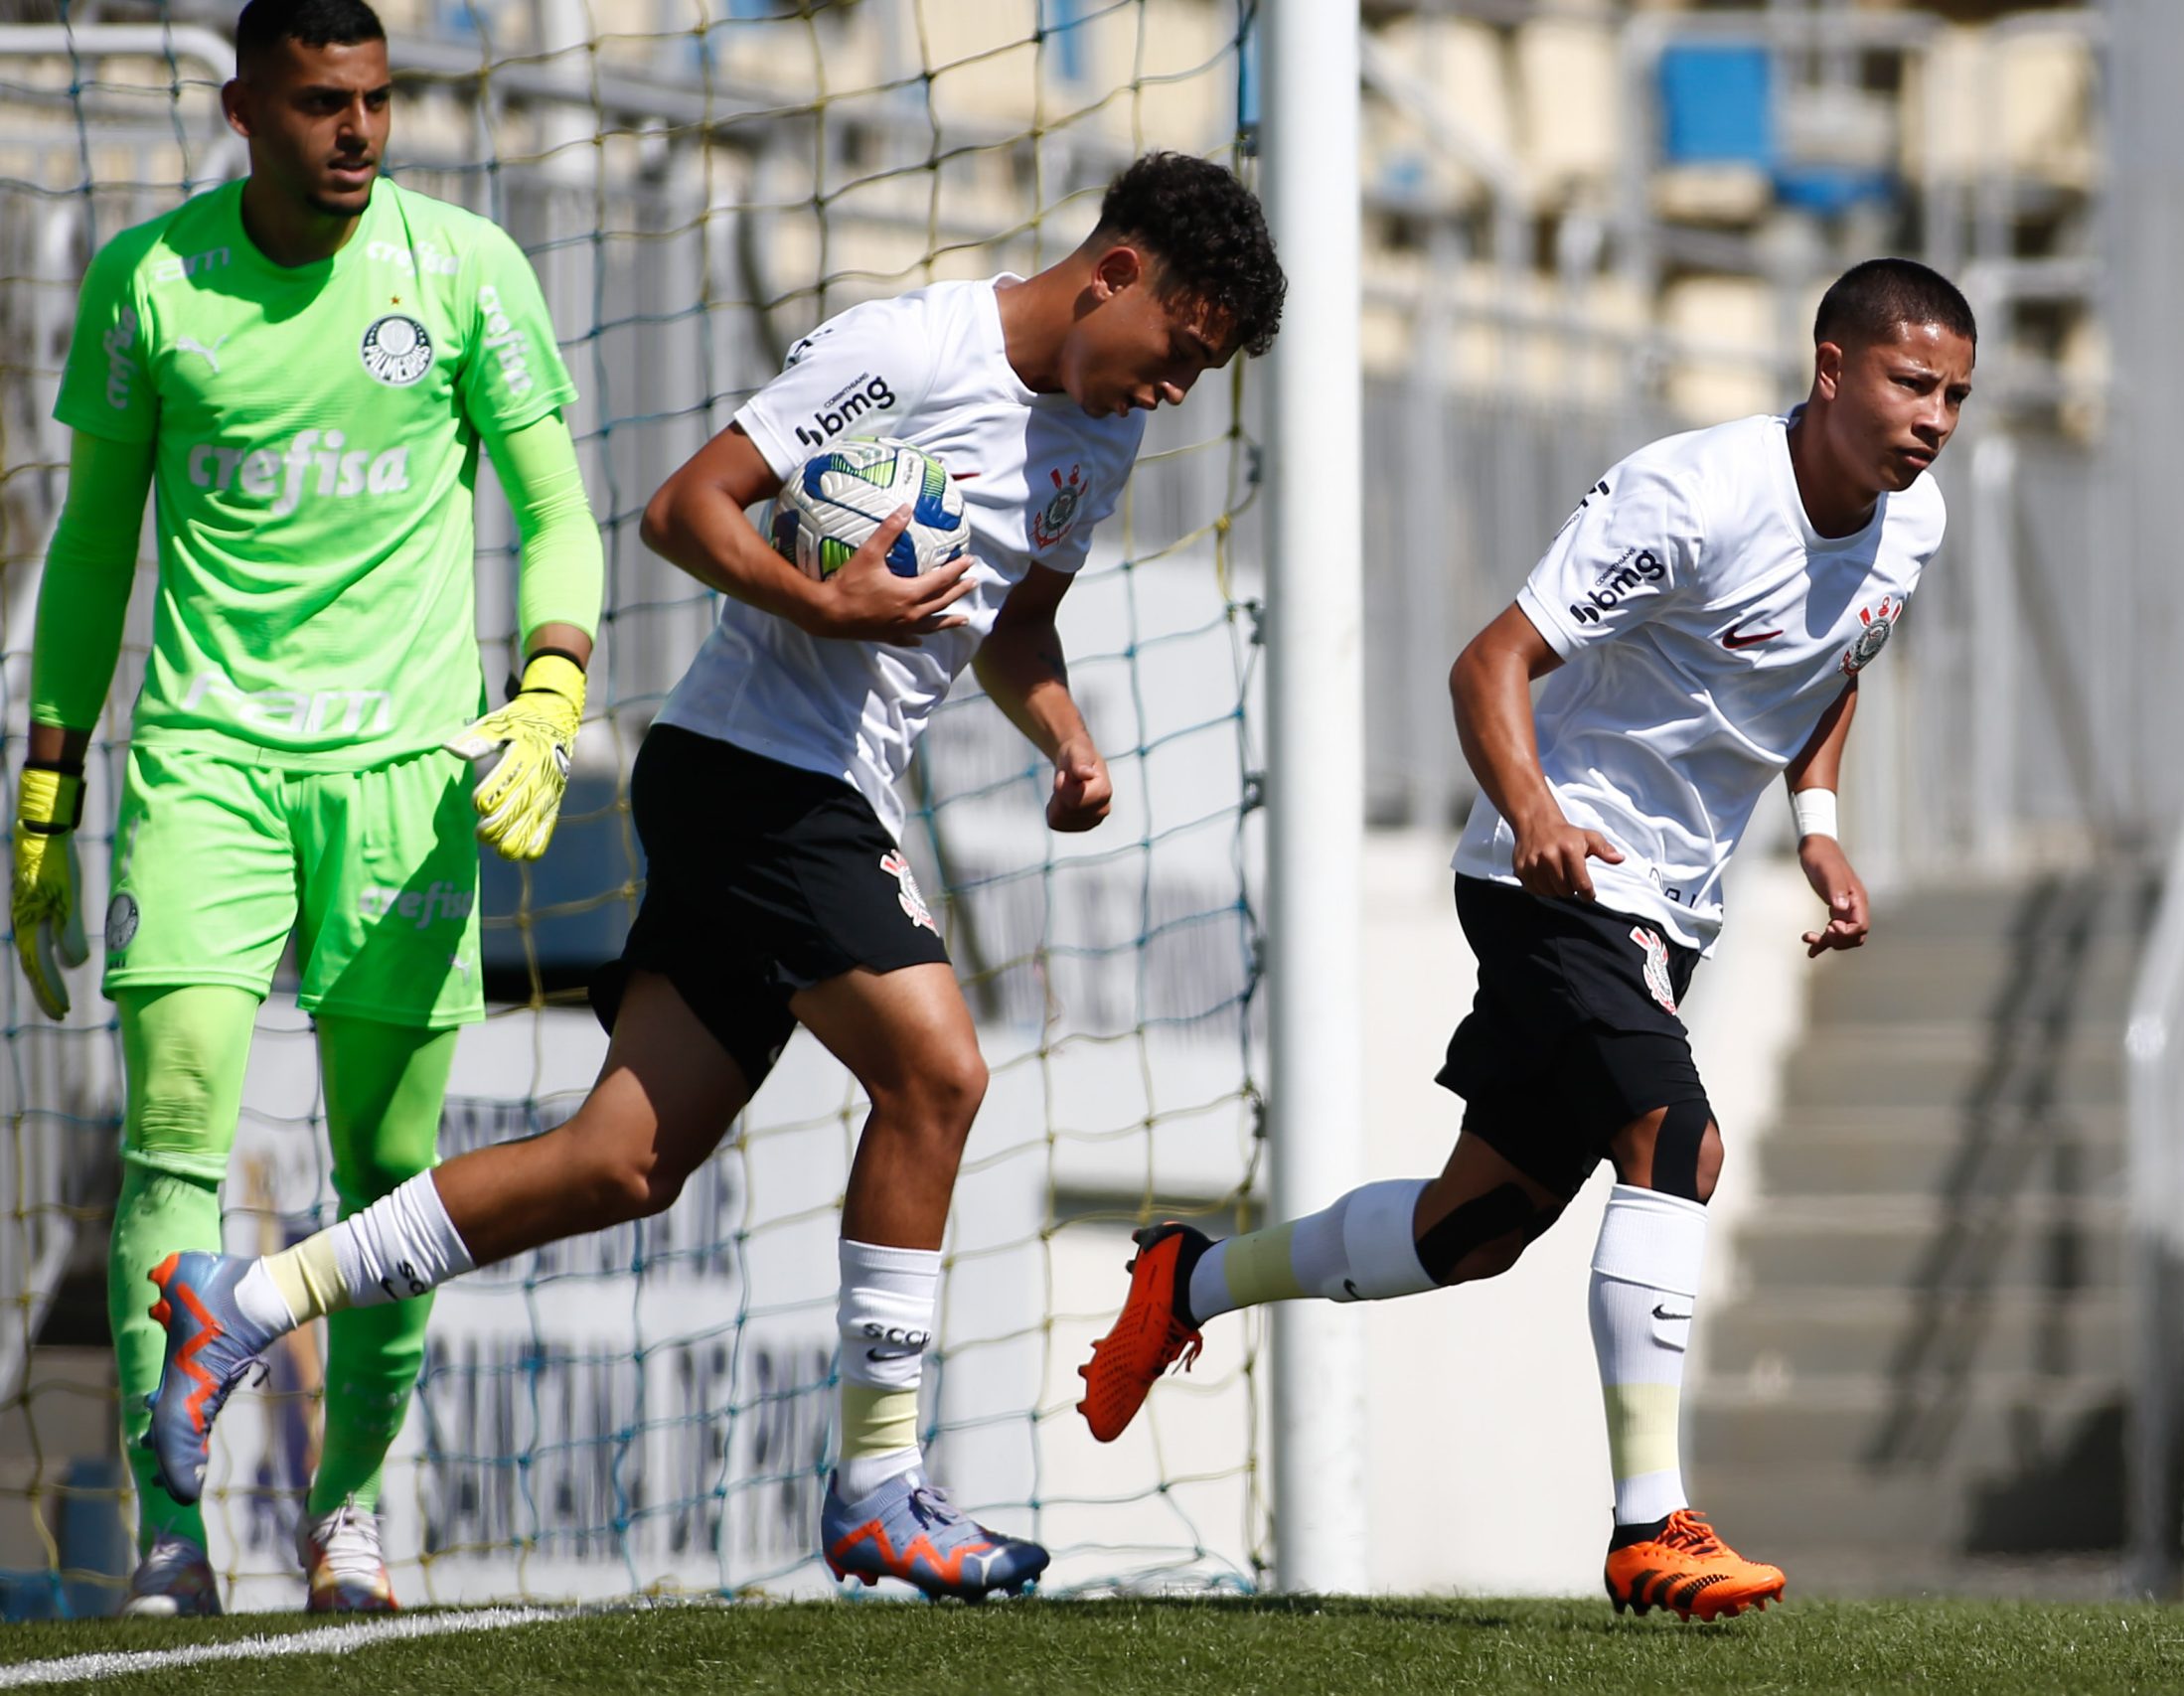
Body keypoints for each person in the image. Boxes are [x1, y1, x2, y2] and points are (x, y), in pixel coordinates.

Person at [137, 151, 1286, 1603]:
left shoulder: (1098, 442)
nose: (1177, 389)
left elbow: (1013, 622)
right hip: (752, 770)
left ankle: (245, 1297)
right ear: (1115, 274)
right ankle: (877, 1484)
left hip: (813, 790)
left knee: (617, 1162)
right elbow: (686, 511)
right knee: (940, 1074)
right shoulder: (904, 348)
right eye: (1180, 351)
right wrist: (827, 596)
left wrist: (1065, 736)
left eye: (1206, 373)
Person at [1077, 258, 1976, 1621]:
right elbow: (1488, 661)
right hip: (1549, 878)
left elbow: (1828, 665)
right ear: (1832, 366)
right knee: (1680, 1142)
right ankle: (1647, 1529)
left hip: (1671, 906)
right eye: (1914, 384)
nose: (1936, 419)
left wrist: (1822, 820)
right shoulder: (1692, 495)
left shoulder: (1915, 526)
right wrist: (1535, 813)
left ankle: (1188, 1277)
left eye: (1959, 396)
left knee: (1476, 1227)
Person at [8, 0, 602, 1616]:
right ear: (242, 111)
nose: (358, 132)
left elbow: (560, 513)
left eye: (377, 102)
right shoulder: (151, 283)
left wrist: (551, 690)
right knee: (176, 1125)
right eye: (322, 105)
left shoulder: (466, 269)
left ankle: (347, 1517)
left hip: (411, 778)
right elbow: (89, 554)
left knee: (391, 1169)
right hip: (203, 759)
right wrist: (49, 788)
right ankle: (173, 1536)